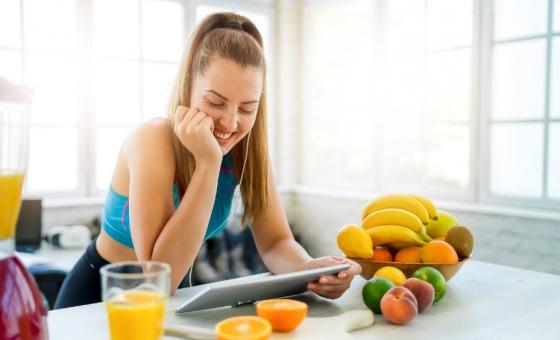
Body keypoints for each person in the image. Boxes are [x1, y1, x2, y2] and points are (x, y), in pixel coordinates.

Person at [54, 12, 361, 309]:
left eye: (246, 109)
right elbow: (159, 277)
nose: (229, 123)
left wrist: (310, 270)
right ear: (187, 87)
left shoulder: (247, 149)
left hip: (175, 300)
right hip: (100, 298)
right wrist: (208, 164)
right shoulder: (152, 140)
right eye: (216, 102)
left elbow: (276, 243)